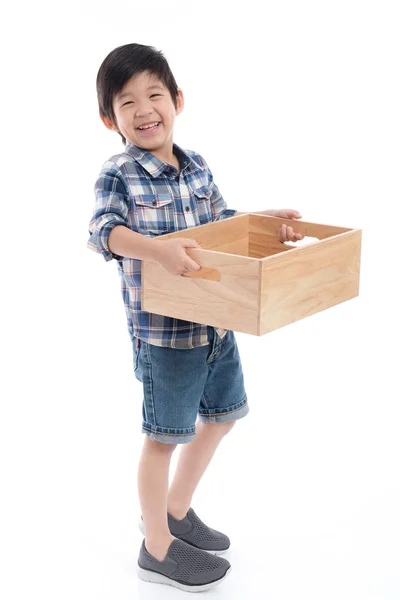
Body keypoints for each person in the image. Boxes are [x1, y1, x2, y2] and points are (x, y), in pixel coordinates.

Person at [87, 43, 303, 592]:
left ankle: (177, 511)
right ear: (110, 118)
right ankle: (155, 548)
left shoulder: (197, 165)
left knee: (225, 414)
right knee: (164, 437)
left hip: (216, 323)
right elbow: (102, 233)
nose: (144, 109)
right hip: (164, 336)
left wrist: (262, 221)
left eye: (154, 94)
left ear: (177, 99)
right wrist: (156, 249)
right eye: (127, 101)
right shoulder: (119, 174)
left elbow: (222, 222)